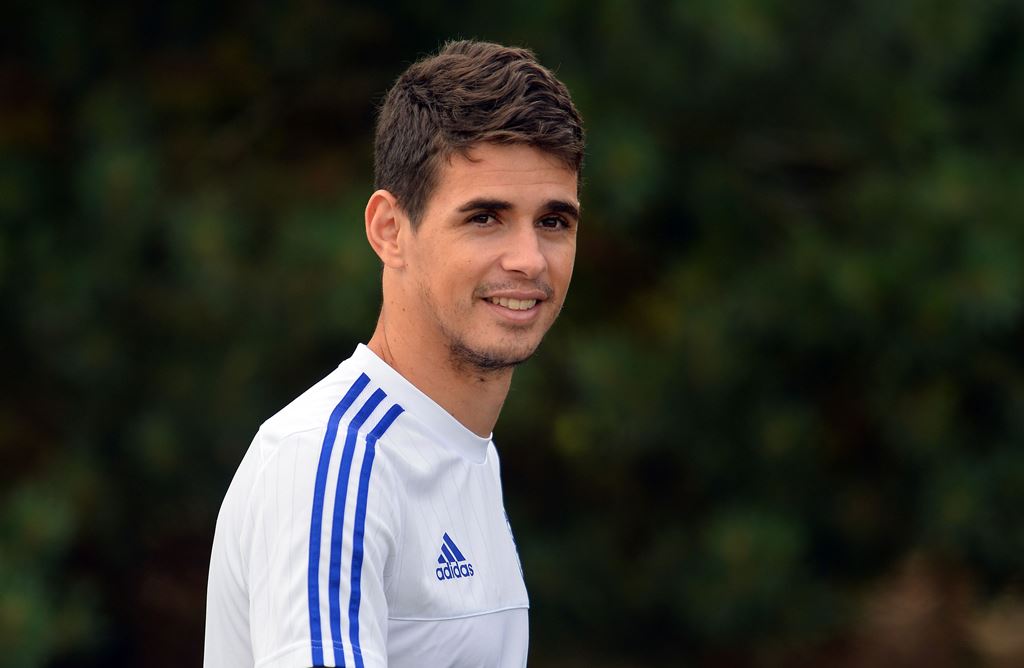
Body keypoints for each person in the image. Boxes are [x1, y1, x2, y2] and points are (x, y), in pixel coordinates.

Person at [204, 39, 585, 668]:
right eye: (485, 217)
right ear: (390, 230)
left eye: (553, 221)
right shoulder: (332, 459)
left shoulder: (462, 450)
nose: (528, 259)